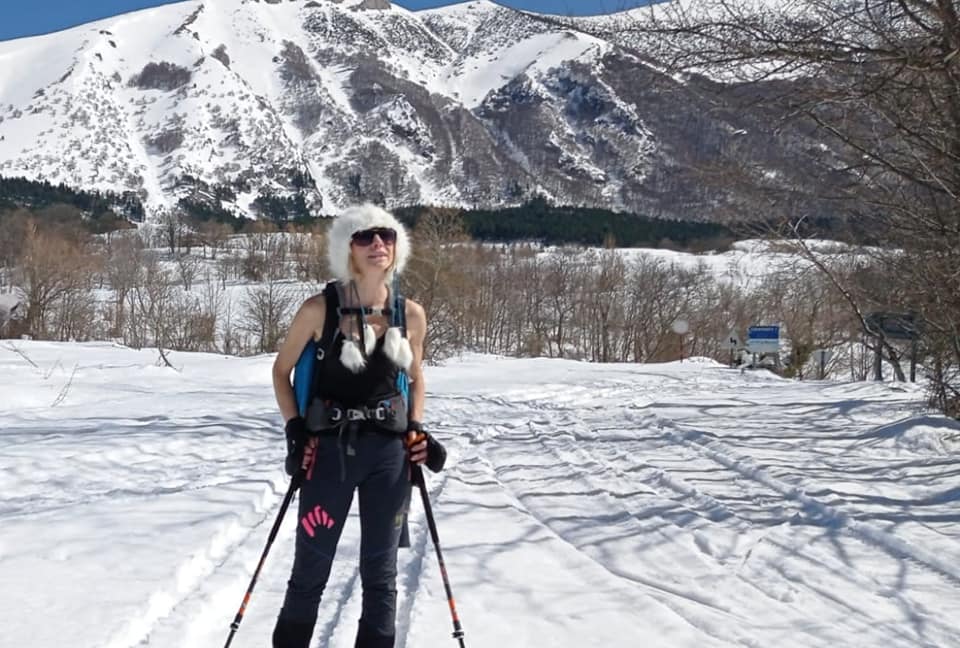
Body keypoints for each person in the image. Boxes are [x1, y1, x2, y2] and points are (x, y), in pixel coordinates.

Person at [270, 204, 446, 648]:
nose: (377, 245)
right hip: (329, 455)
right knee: (310, 571)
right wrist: (295, 431)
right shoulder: (319, 309)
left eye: (386, 236)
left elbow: (416, 377)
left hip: (388, 458)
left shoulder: (411, 315)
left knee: (381, 577)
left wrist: (418, 429)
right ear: (346, 247)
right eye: (364, 237)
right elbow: (280, 372)